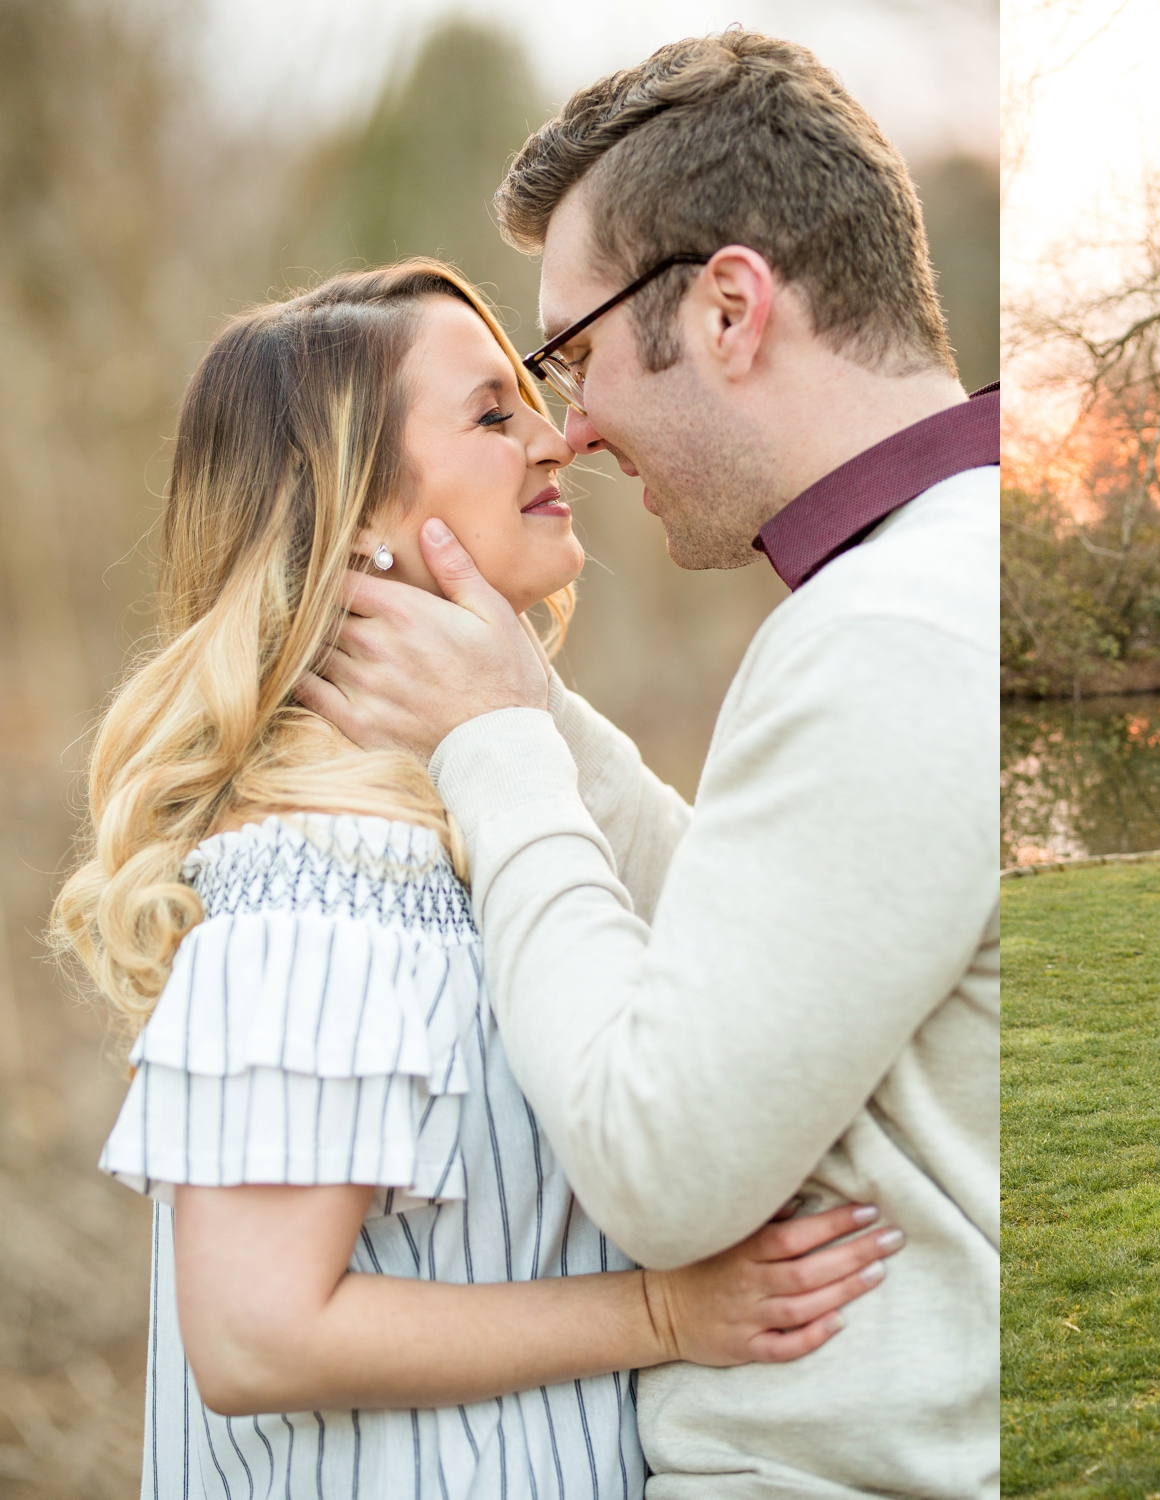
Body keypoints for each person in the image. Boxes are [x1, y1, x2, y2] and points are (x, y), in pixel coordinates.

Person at [50, 262, 902, 1497]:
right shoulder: (316, 889)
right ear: (350, 517)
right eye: (495, 414)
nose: (556, 440)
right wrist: (662, 1315)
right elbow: (253, 1334)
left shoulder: (467, 839)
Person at [296, 33, 999, 1500]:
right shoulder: (927, 583)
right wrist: (525, 710)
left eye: (573, 356)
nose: (571, 428)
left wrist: (496, 752)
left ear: (731, 308)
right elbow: (773, 958)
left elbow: (659, 1162)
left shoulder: (888, 633)